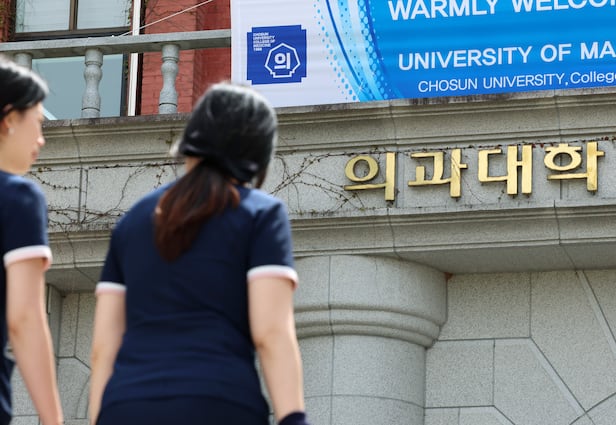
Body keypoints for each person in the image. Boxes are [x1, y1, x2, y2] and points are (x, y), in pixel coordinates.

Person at [89, 82, 310, 425]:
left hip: (127, 405)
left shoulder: (132, 222)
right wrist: (293, 419)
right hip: (219, 401)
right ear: (257, 153)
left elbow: (104, 346)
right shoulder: (261, 214)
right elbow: (271, 332)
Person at [0, 56, 64, 425]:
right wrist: (53, 420)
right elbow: (25, 317)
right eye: (37, 122)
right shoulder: (17, 197)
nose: (41, 138)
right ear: (9, 118)